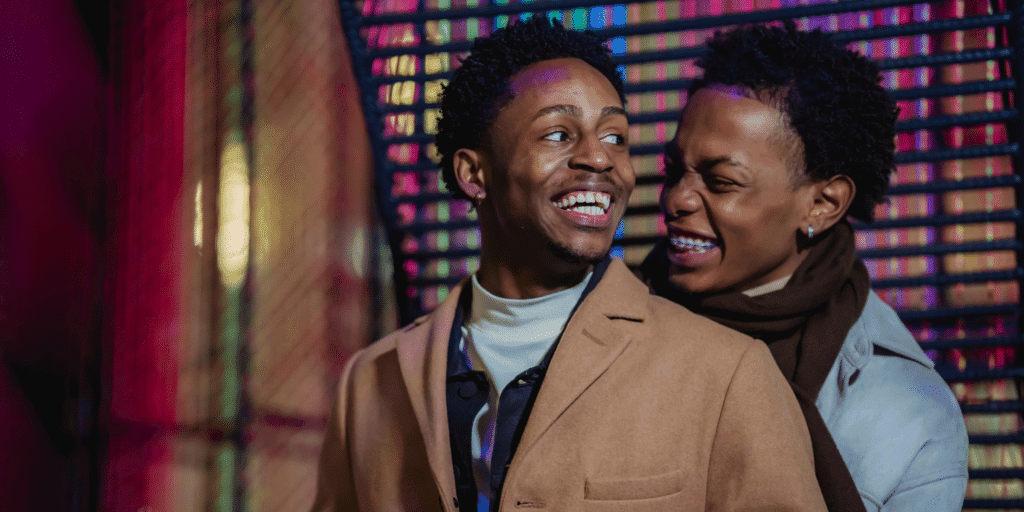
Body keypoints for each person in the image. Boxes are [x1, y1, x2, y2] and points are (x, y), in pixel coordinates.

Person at [313, 17, 827, 512]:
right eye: (559, 135)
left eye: (614, 137)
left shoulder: (727, 371)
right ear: (474, 173)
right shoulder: (367, 383)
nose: (600, 159)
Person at [639, 22, 969, 511]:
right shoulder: (605, 327)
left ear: (822, 204)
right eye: (675, 171)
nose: (676, 199)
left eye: (722, 181)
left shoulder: (907, 412)